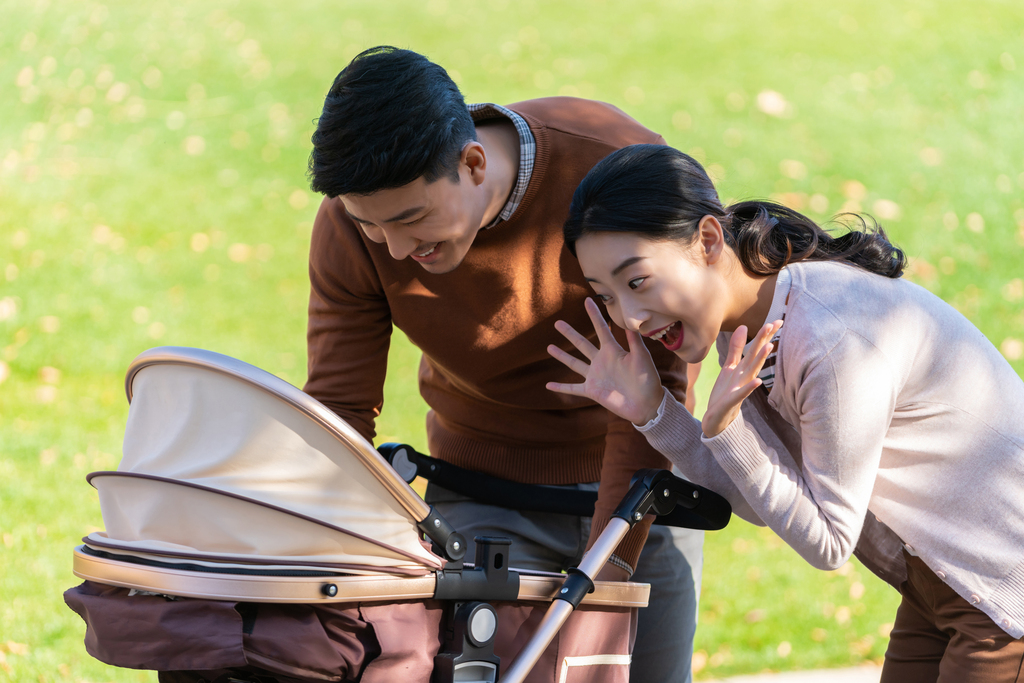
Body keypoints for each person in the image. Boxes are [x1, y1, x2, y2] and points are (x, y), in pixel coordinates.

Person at [546, 143, 1024, 682]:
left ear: (706, 240)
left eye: (636, 281)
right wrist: (656, 412)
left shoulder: (829, 340)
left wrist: (727, 431)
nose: (629, 319)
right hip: (940, 580)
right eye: (606, 296)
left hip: (1002, 588)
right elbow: (764, 501)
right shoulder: (745, 330)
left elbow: (826, 543)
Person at [303, 47, 704, 682]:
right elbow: (341, 409)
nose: (398, 249)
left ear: (472, 163)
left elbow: (660, 381)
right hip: (476, 498)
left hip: (637, 492)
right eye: (374, 228)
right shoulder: (353, 226)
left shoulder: (611, 167)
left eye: (412, 218)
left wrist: (609, 566)